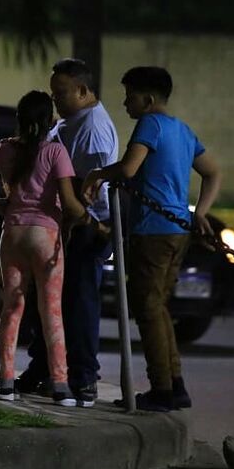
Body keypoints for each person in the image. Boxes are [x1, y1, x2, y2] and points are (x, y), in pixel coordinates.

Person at [82, 66, 220, 412]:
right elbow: (213, 172)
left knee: (148, 309)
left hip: (153, 231)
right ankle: (174, 383)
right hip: (178, 231)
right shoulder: (183, 130)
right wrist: (199, 212)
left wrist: (99, 174)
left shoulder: (151, 125)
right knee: (158, 308)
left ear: (148, 98)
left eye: (129, 95)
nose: (125, 102)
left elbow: (128, 169)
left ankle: (163, 388)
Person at [0, 91, 88, 406]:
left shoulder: (4, 149)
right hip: (46, 235)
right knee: (50, 310)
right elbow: (70, 203)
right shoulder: (56, 152)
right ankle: (60, 385)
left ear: (19, 119)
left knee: (12, 307)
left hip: (12, 233)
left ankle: (5, 383)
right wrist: (88, 218)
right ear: (50, 122)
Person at [16, 58, 119, 406]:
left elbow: (88, 192)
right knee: (51, 301)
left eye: (61, 93)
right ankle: (44, 367)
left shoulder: (92, 128)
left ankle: (83, 377)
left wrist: (88, 225)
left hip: (85, 229)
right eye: (53, 93)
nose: (55, 99)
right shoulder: (71, 122)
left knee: (78, 304)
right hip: (64, 226)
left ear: (84, 90)